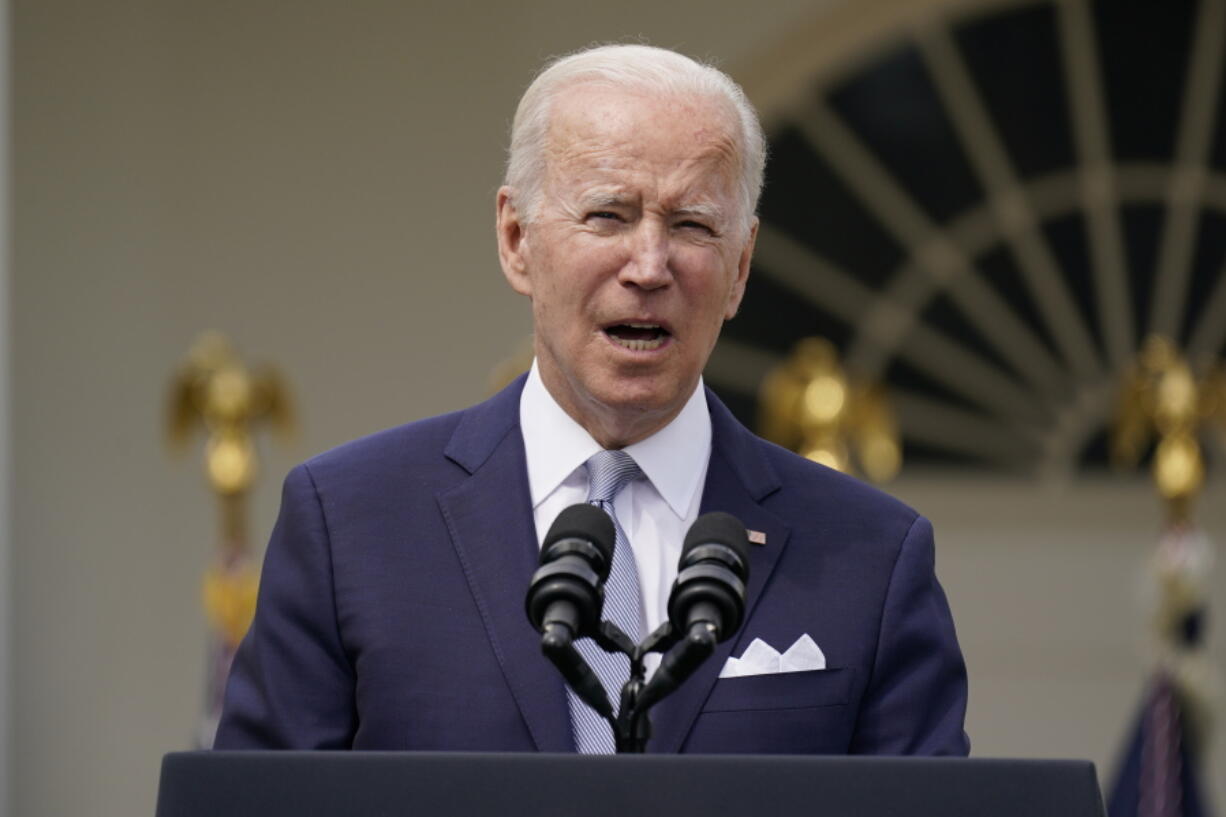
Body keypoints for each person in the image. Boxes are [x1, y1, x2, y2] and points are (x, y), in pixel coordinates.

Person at [215, 43, 969, 755]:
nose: (649, 264)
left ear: (740, 268)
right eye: (608, 214)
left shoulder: (870, 555)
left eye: (692, 224)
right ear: (516, 239)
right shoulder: (350, 525)